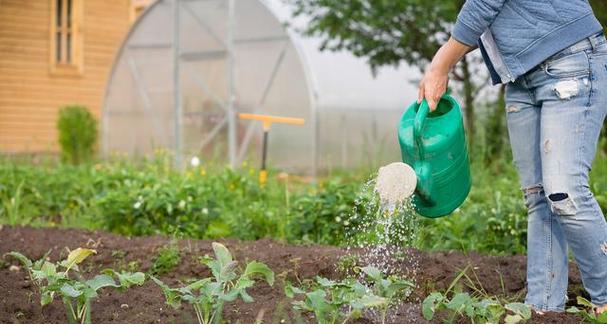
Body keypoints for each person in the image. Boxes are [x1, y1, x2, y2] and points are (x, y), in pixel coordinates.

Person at [417, 0, 607, 315]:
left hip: (570, 61)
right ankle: (543, 309)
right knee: (538, 197)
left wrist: (440, 64)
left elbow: (484, 4)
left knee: (564, 191)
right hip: (520, 79)